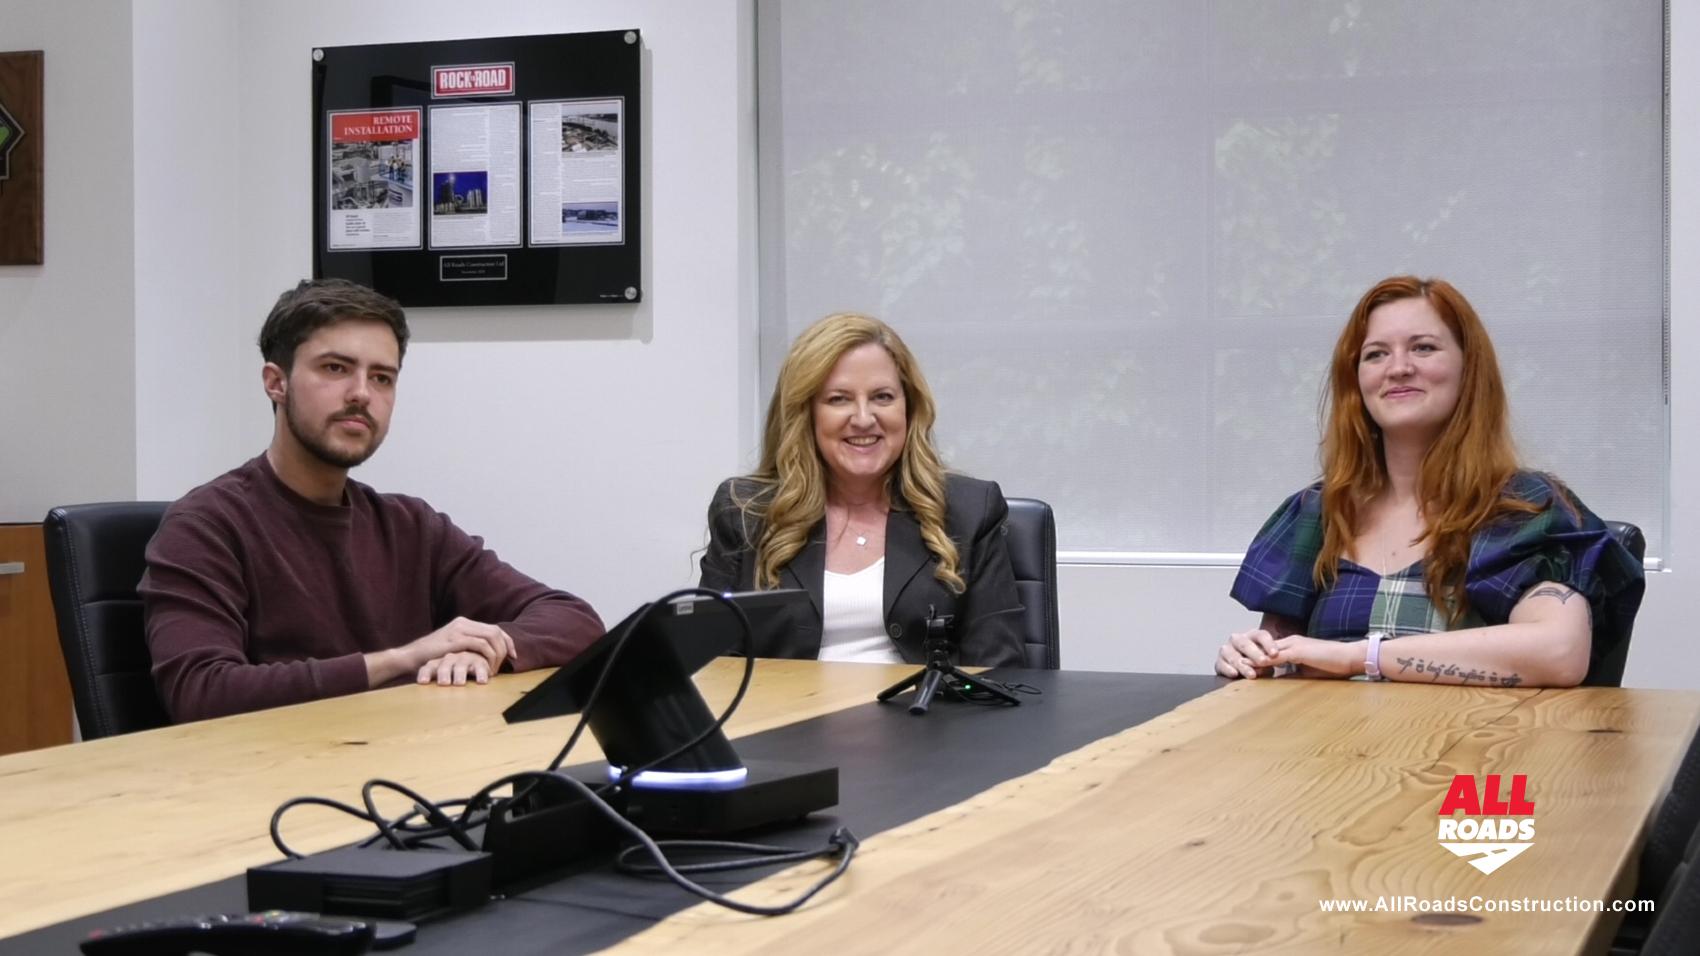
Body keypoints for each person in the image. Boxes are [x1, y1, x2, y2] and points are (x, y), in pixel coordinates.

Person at [141, 278, 604, 722]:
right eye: (335, 368)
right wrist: (404, 659)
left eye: (382, 378)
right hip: (276, 769)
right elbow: (202, 693)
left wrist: (490, 646)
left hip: (403, 761)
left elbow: (575, 620)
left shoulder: (411, 526)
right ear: (276, 382)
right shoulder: (204, 526)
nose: (362, 394)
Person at [1219, 276, 1642, 687]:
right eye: (1376, 354)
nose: (1399, 368)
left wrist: (1362, 656)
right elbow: (1283, 660)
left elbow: (1559, 653)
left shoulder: (1524, 508)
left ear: (1468, 369)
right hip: (1328, 736)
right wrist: (1250, 655)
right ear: (1356, 381)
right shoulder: (1317, 512)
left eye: (1423, 348)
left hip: (1471, 738)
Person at [700, 313, 1026, 667]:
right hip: (784, 704)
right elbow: (712, 665)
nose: (863, 419)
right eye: (839, 399)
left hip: (926, 704)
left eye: (882, 397)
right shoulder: (745, 513)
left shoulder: (970, 510)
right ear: (805, 413)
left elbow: (998, 669)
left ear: (909, 407)